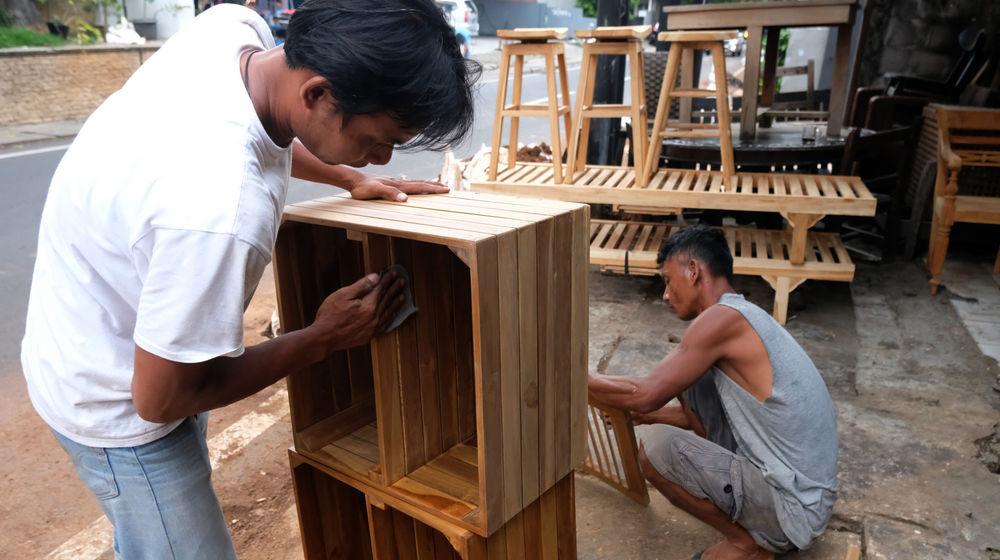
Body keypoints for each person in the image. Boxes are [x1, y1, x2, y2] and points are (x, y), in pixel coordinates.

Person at [20, 0, 479, 557]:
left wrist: (346, 173)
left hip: (85, 313)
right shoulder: (222, 214)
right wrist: (322, 338)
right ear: (317, 94)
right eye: (375, 140)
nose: (383, 159)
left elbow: (266, 134)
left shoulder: (232, 32)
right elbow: (162, 400)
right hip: (109, 398)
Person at [588, 226, 838, 560]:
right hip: (806, 498)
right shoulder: (742, 314)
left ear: (693, 271)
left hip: (791, 512)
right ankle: (752, 526)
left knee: (657, 450)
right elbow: (670, 405)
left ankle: (746, 544)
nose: (665, 294)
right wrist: (649, 415)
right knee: (692, 377)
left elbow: (646, 393)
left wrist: (572, 375)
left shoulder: (721, 320)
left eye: (667, 280)